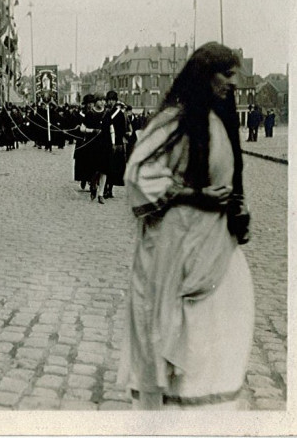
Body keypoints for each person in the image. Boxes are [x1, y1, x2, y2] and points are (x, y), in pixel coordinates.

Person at [119, 42, 253, 410]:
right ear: (205, 75)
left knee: (217, 329)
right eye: (226, 74)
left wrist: (236, 208)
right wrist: (196, 196)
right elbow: (139, 175)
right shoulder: (174, 122)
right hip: (173, 250)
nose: (233, 83)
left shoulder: (220, 121)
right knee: (178, 328)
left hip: (216, 247)